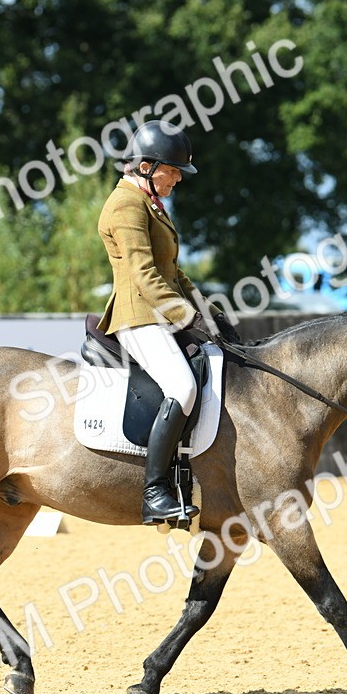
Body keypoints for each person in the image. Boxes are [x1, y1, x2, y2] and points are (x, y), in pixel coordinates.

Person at [95, 120, 239, 525]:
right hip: (138, 315)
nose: (177, 178)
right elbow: (145, 276)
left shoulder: (150, 203)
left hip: (157, 312)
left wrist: (210, 312)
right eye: (172, 170)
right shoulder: (125, 205)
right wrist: (187, 317)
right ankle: (155, 493)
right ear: (146, 167)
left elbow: (176, 276)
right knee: (182, 386)